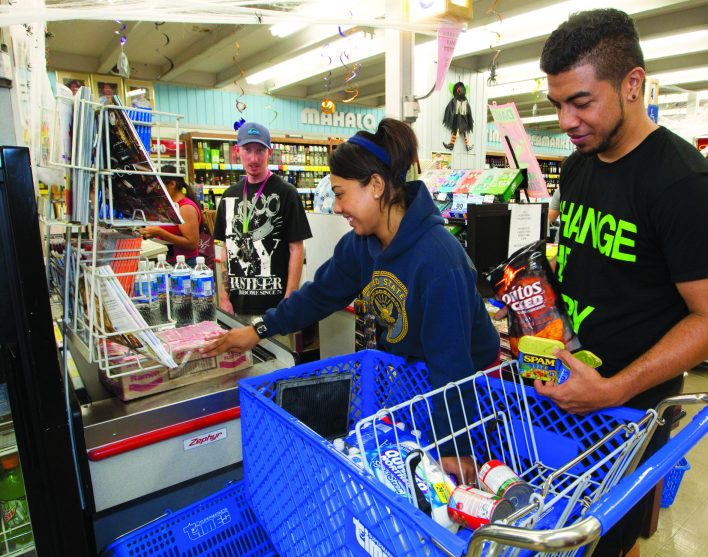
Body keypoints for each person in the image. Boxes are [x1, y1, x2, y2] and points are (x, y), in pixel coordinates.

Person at [536, 8, 708, 557]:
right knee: (556, 522)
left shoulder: (683, 185)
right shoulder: (580, 163)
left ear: (633, 85)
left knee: (607, 536)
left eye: (581, 101)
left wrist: (616, 388)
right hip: (566, 384)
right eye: (558, 104)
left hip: (631, 410)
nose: (566, 120)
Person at [204, 118, 500, 480]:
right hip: (413, 383)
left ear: (375, 186)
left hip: (466, 402)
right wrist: (258, 330)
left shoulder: (439, 260)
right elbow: (318, 295)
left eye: (341, 193)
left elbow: (452, 365)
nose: (337, 206)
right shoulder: (362, 244)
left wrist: (455, 446)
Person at [213, 122, 312, 317]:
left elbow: (296, 248)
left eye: (260, 150)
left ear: (269, 152)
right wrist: (224, 297)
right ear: (237, 151)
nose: (253, 158)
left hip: (275, 308)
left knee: (275, 350)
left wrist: (289, 297)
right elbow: (227, 248)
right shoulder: (229, 195)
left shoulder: (286, 193)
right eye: (247, 150)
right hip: (237, 304)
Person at [139, 166, 201, 265]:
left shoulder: (185, 208)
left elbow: (192, 243)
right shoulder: (168, 205)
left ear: (172, 184)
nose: (157, 190)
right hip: (167, 262)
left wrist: (160, 232)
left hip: (184, 264)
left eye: (159, 186)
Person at [442, 81, 474, 151]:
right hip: (459, 119)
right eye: (459, 90)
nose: (460, 92)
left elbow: (468, 111)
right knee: (459, 131)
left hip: (463, 119)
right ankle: (464, 146)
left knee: (460, 131)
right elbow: (450, 108)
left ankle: (453, 145)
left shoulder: (465, 101)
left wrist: (468, 118)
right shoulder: (456, 100)